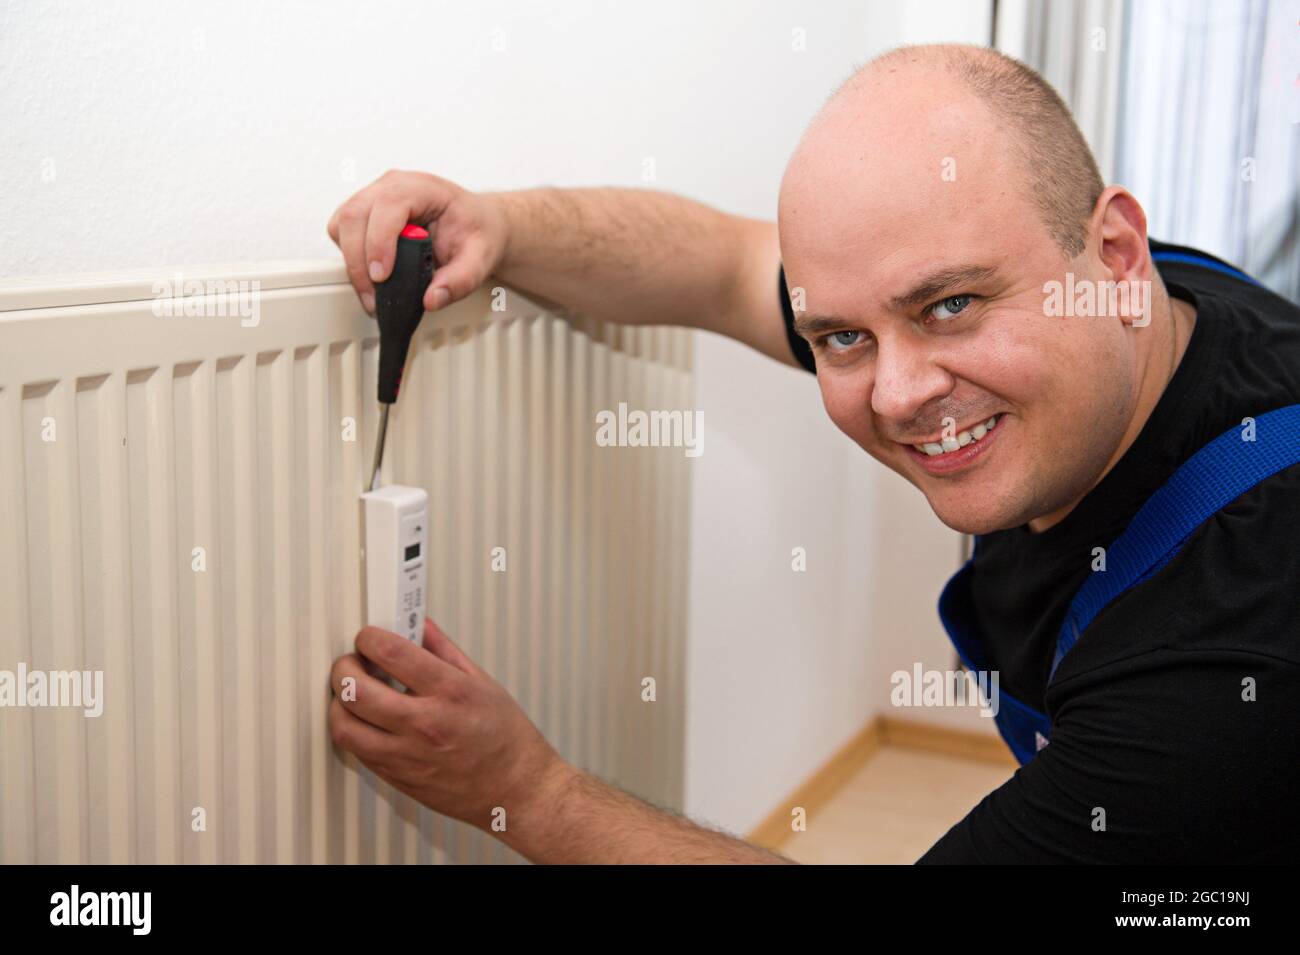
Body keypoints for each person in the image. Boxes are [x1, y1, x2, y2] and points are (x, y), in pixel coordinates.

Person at [325, 43, 1300, 863]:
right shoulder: (1136, 303)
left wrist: (527, 790)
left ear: (1116, 257)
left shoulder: (1226, 654)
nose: (897, 393)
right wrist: (501, 224)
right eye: (843, 338)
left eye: (949, 306)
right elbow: (722, 267)